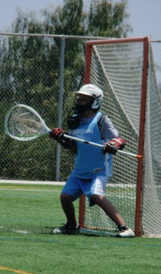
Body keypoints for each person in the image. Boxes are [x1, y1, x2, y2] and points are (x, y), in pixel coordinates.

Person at [49, 84, 135, 238]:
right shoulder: (75, 121)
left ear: (95, 101)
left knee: (97, 196)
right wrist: (62, 139)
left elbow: (120, 139)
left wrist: (114, 144)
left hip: (99, 169)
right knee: (65, 197)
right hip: (80, 169)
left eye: (84, 98)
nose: (80, 101)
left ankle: (124, 228)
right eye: (80, 98)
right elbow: (74, 149)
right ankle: (71, 226)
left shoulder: (101, 120)